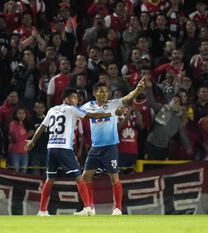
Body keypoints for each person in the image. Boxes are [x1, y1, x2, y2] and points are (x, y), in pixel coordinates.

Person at [25, 87, 118, 216]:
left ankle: (42, 210)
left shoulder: (52, 110)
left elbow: (42, 127)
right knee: (79, 178)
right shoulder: (72, 110)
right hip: (64, 149)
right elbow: (93, 116)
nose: (76, 100)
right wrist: (112, 113)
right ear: (66, 99)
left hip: (51, 148)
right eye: (74, 97)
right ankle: (88, 208)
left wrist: (32, 141)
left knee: (49, 179)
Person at [78, 76, 146, 216]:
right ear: (95, 93)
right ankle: (89, 208)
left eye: (106, 91)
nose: (104, 94)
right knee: (85, 177)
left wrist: (137, 90)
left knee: (114, 177)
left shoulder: (114, 103)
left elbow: (127, 98)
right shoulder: (87, 106)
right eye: (101, 91)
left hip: (110, 147)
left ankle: (118, 209)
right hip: (95, 148)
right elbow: (86, 115)